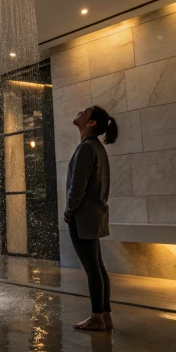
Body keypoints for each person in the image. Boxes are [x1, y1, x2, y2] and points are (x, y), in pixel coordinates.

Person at [63, 106, 118, 331]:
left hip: (83, 217)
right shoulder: (96, 148)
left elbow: (78, 187)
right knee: (98, 266)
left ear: (91, 123)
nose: (78, 112)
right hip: (95, 215)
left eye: (84, 111)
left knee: (92, 268)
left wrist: (69, 211)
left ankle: (97, 317)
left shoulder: (86, 149)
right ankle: (104, 315)